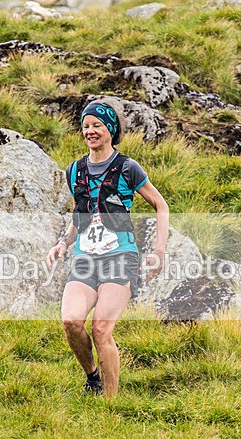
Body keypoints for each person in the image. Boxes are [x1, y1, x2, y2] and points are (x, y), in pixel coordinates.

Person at [46, 101, 169, 398]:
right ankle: (93, 377)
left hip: (120, 256)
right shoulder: (75, 170)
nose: (90, 131)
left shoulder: (127, 167)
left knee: (101, 328)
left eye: (97, 125)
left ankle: (110, 405)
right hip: (85, 257)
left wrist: (159, 251)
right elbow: (81, 212)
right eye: (86, 126)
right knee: (71, 321)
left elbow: (160, 205)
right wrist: (63, 242)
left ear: (111, 130)